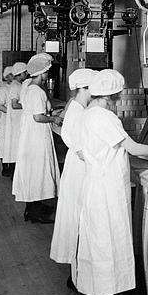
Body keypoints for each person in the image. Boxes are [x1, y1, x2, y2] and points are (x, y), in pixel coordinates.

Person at [73, 69, 148, 295]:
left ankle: (89, 293)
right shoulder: (105, 118)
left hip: (93, 185)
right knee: (106, 242)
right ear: (111, 95)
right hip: (106, 190)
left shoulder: (87, 115)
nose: (118, 100)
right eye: (117, 96)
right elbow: (132, 147)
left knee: (93, 242)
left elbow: (87, 151)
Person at [49, 68, 96, 281]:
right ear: (85, 88)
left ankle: (77, 275)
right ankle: (78, 276)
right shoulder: (78, 111)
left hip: (78, 167)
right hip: (80, 169)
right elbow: (78, 144)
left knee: (79, 219)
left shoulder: (78, 108)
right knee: (80, 219)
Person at [12, 54, 61, 224]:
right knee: (38, 170)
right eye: (47, 72)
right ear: (42, 73)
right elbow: (38, 117)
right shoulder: (37, 91)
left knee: (32, 170)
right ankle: (35, 212)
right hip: (37, 135)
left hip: (29, 135)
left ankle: (32, 208)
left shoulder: (28, 88)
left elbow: (35, 112)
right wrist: (54, 119)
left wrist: (51, 113)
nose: (48, 76)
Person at [0, 62, 28, 178]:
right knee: (7, 145)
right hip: (9, 119)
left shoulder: (18, 86)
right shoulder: (8, 88)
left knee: (12, 145)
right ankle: (7, 168)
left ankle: (12, 169)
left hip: (15, 119)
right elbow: (5, 105)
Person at [0, 66, 12, 176]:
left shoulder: (19, 87)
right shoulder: (3, 89)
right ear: (7, 76)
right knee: (5, 143)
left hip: (16, 120)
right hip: (6, 119)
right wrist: (10, 113)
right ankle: (5, 167)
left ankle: (13, 166)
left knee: (13, 143)